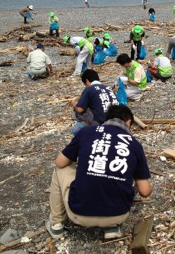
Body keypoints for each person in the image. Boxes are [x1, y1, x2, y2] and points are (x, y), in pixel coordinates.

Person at [45, 104, 152, 240]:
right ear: (128, 121)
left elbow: (60, 162)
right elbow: (145, 191)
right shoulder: (135, 144)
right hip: (118, 215)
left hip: (78, 213)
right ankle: (111, 227)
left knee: (61, 168)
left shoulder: (87, 131)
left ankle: (56, 225)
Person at [68, 69, 118, 134]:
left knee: (78, 108)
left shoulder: (89, 89)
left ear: (87, 81)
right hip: (116, 122)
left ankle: (84, 129)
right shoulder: (108, 88)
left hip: (100, 123)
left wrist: (74, 104)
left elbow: (80, 109)